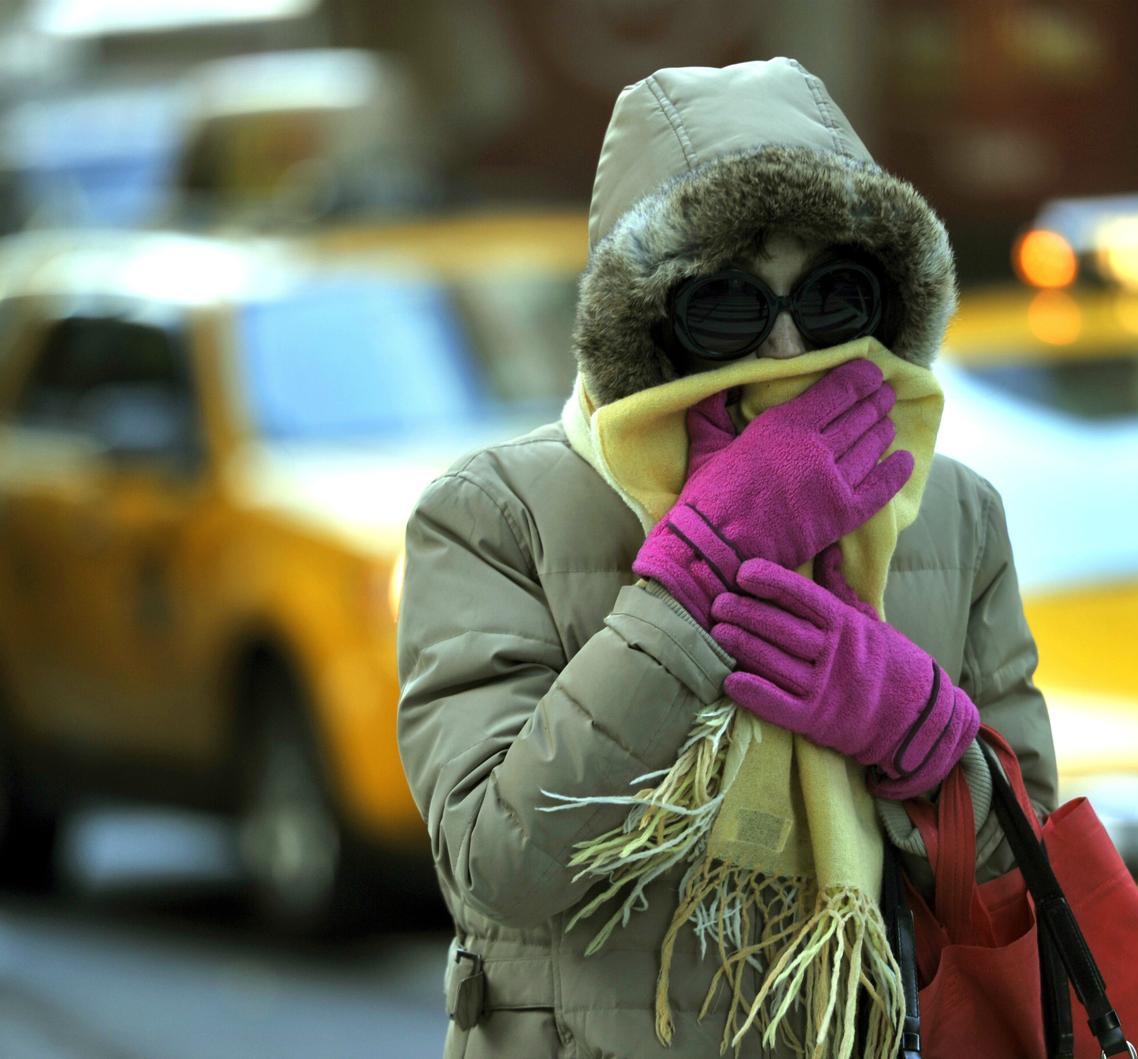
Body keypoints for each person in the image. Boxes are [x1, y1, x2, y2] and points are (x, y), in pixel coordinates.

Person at [397, 58, 1056, 1059]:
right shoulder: (495, 514)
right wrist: (695, 577)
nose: (788, 345)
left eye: (832, 297)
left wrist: (921, 739)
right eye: (730, 307)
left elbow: (1019, 869)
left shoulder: (950, 511)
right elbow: (500, 862)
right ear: (651, 327)